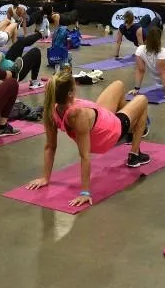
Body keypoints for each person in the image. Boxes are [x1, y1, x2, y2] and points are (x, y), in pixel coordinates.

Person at [25, 69, 151, 206]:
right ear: (70, 94)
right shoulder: (77, 115)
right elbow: (85, 156)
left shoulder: (50, 110)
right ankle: (134, 154)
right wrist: (85, 193)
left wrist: (45, 178)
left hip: (101, 119)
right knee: (142, 100)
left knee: (119, 85)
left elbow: (50, 146)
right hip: (112, 131)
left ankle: (132, 127)